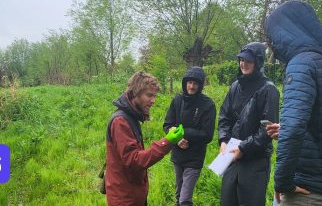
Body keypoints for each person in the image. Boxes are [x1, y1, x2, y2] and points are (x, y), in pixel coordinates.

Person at [264, 0, 322, 205]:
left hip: (310, 190)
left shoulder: (301, 64)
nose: (272, 43)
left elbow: (294, 128)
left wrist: (283, 183)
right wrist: (285, 129)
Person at [105, 71, 185, 206]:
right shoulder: (120, 121)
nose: (153, 101)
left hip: (133, 193)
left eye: (154, 96)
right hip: (124, 198)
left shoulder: (132, 117)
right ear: (135, 93)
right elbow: (134, 160)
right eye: (149, 95)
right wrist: (167, 142)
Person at [217, 42, 280, 206]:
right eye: (241, 60)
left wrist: (244, 148)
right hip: (232, 155)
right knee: (227, 201)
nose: (243, 64)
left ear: (258, 62)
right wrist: (223, 140)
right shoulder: (235, 86)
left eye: (248, 61)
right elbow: (224, 116)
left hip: (255, 159)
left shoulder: (269, 90)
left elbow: (267, 129)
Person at [163, 66, 216, 206]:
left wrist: (183, 132)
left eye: (195, 83)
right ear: (184, 83)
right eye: (189, 82)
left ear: (200, 85)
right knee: (179, 195)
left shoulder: (208, 104)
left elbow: (208, 135)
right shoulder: (177, 100)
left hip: (195, 157)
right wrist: (177, 139)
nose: (191, 86)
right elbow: (167, 125)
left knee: (185, 199)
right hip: (178, 154)